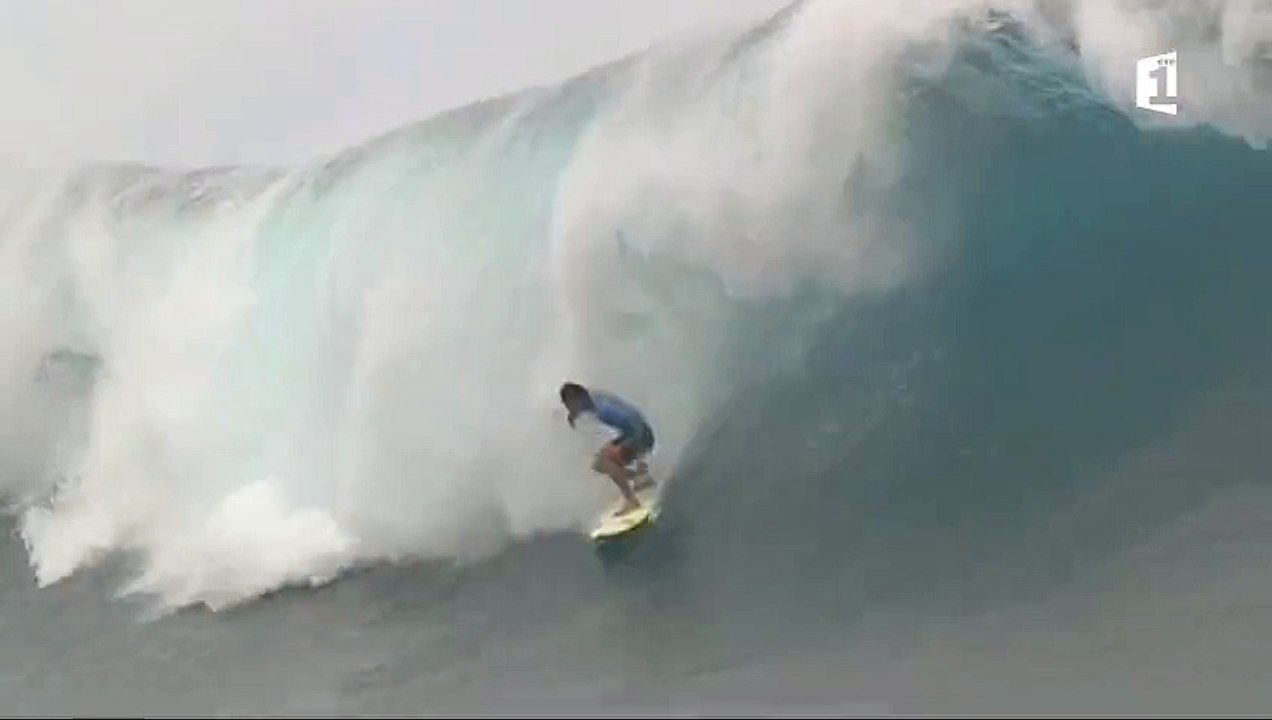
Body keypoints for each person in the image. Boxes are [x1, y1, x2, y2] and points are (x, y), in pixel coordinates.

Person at [559, 381, 656, 516]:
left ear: (576, 400)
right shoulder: (590, 398)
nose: (569, 409)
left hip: (641, 436)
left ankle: (632, 501)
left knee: (605, 461)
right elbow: (581, 406)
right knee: (598, 464)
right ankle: (640, 476)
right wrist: (573, 415)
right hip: (636, 433)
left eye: (569, 405)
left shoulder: (604, 409)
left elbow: (636, 423)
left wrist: (624, 446)